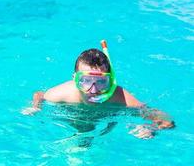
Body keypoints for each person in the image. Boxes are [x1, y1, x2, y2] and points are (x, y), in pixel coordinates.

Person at [22, 40, 175, 139]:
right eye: (86, 81)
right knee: (83, 129)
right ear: (74, 79)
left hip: (107, 119)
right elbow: (39, 95)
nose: (93, 90)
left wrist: (151, 128)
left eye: (101, 82)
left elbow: (166, 121)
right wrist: (34, 107)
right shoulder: (61, 94)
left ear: (110, 81)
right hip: (75, 118)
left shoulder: (119, 97)